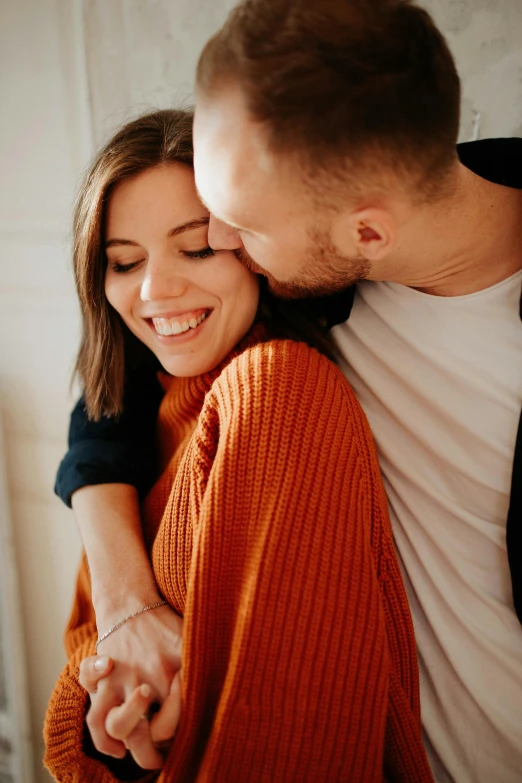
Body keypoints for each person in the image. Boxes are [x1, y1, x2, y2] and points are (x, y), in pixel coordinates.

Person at [55, 1, 522, 781]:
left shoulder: (319, 263)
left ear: (367, 234)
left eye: (223, 230)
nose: (228, 246)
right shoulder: (307, 269)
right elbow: (115, 388)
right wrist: (126, 601)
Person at [44, 108, 433, 782]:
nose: (154, 289)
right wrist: (117, 673)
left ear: (253, 244)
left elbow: (288, 738)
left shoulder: (279, 390)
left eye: (196, 247)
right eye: (123, 261)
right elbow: (83, 683)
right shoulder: (145, 412)